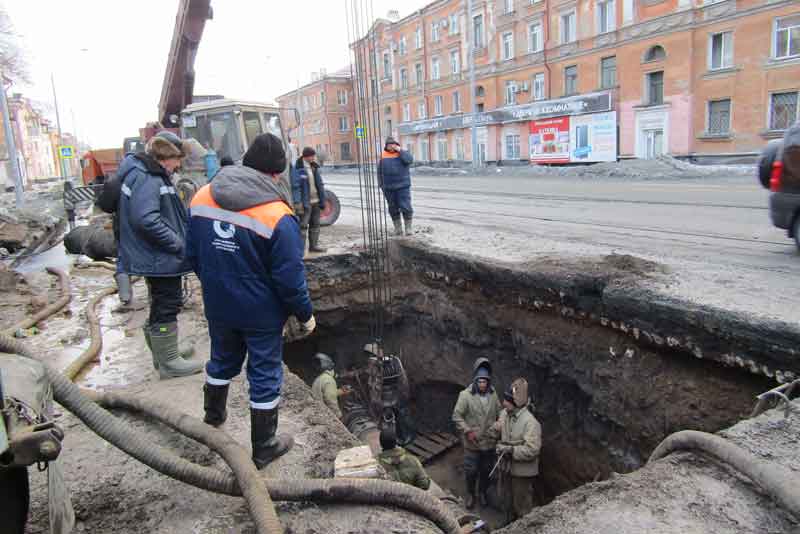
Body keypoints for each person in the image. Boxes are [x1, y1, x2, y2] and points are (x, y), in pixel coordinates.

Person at [186, 133, 316, 469]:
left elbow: (193, 255)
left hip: (218, 303)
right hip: (260, 312)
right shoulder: (277, 214)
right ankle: (264, 446)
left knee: (222, 360)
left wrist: (216, 287)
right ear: (275, 174)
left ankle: (213, 418)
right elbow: (289, 278)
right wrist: (304, 313)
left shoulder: (202, 196)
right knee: (264, 372)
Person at [117, 131, 202, 379]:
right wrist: (177, 243)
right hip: (158, 256)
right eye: (178, 160)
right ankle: (169, 362)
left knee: (160, 301)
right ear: (168, 156)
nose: (179, 166)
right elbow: (146, 219)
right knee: (168, 301)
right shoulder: (149, 178)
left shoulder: (144, 174)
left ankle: (164, 353)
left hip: (153, 254)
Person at [452, 357, 502, 509]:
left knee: (486, 470)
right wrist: (467, 431)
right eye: (479, 381)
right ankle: (471, 494)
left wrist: (499, 425)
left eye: (484, 382)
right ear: (475, 380)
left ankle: (482, 493)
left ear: (488, 382)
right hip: (472, 444)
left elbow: (500, 413)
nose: (482, 384)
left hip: (489, 443)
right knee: (471, 471)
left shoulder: (493, 395)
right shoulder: (465, 395)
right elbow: (456, 416)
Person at [491, 378, 542, 522]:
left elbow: (533, 450)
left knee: (521, 505)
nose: (503, 403)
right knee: (505, 497)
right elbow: (498, 429)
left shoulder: (531, 423)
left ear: (515, 403)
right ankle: (508, 524)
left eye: (507, 400)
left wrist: (511, 450)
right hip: (505, 468)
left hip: (521, 473)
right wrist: (495, 431)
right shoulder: (505, 414)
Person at [292, 147, 327, 254]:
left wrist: (323, 199)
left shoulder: (314, 167)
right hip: (305, 203)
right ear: (306, 156)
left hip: (316, 201)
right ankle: (300, 250)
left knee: (315, 224)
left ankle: (314, 246)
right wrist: (298, 202)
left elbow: (319, 184)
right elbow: (295, 186)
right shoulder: (297, 168)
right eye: (312, 156)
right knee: (303, 227)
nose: (313, 157)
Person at [377, 137, 414, 236]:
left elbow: (409, 160)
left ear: (396, 144)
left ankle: (408, 228)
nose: (391, 146)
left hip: (403, 186)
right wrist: (381, 185)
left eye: (393, 144)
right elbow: (379, 172)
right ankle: (398, 229)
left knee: (406, 207)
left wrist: (400, 150)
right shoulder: (383, 155)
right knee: (392, 208)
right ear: (386, 146)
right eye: (389, 144)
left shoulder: (402, 153)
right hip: (388, 188)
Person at [311, 353, 351, 418]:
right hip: (324, 415)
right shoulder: (329, 380)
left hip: (317, 412)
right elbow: (330, 400)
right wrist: (339, 415)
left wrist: (341, 391)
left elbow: (326, 393)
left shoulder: (320, 378)